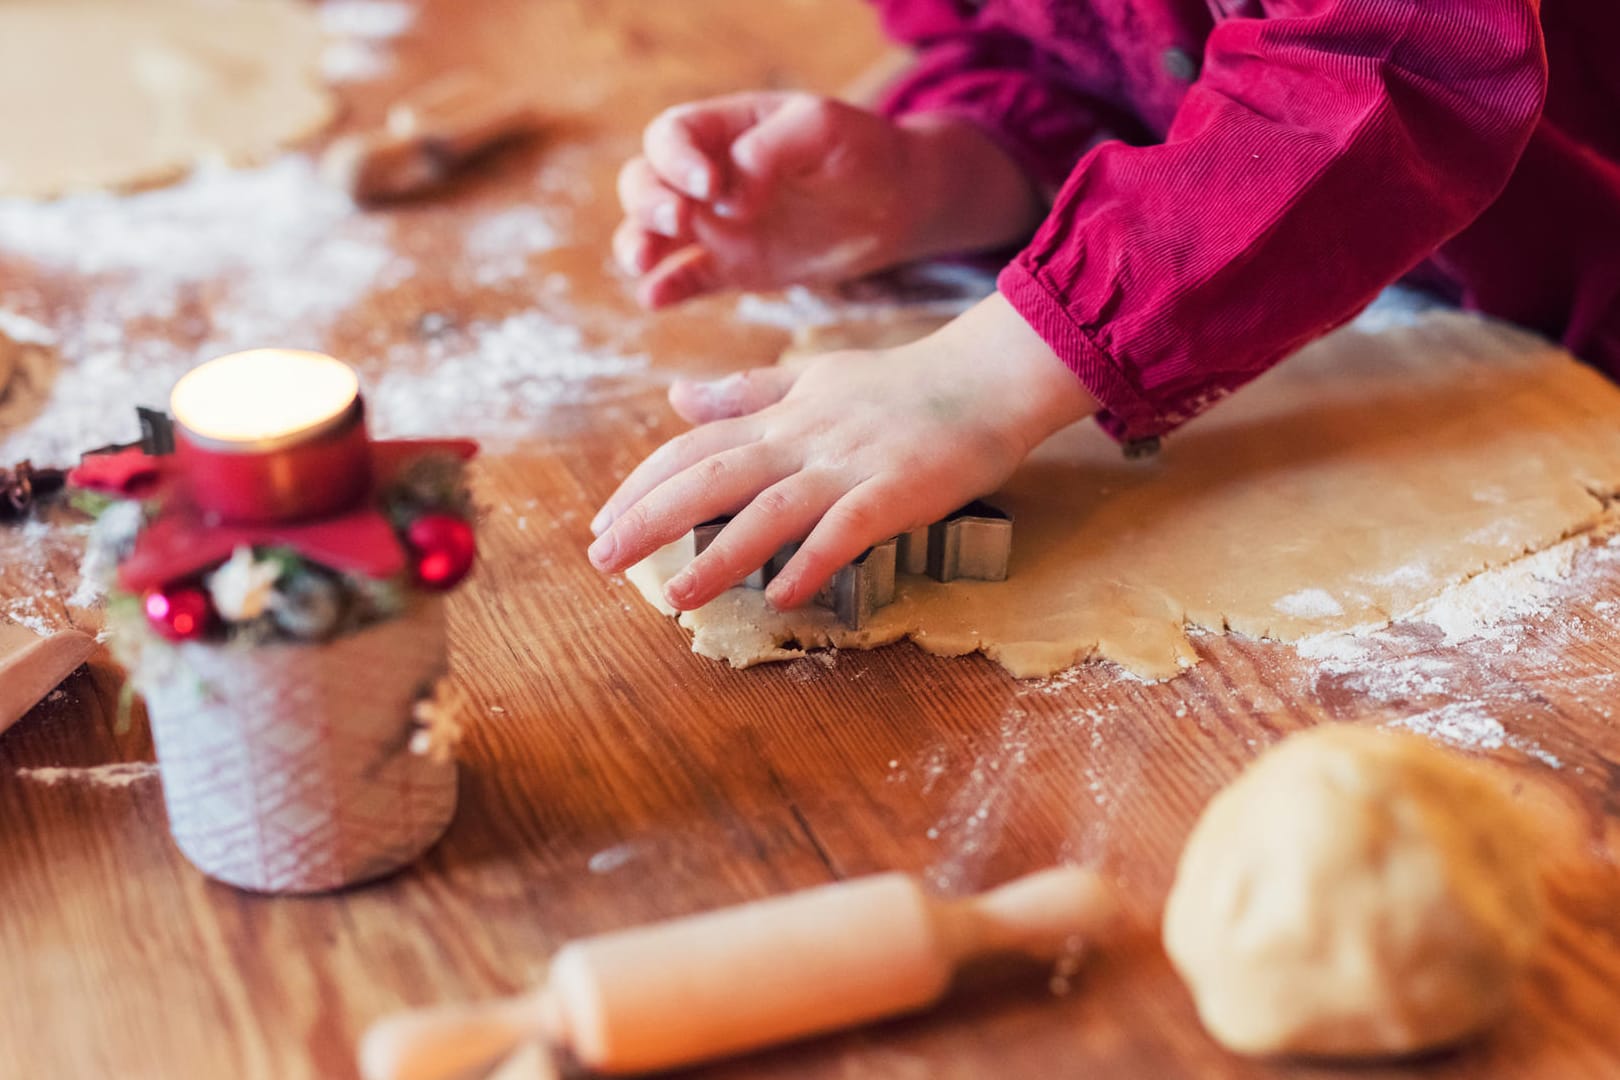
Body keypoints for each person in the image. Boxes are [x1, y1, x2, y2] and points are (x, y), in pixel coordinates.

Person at [588, 0, 1620, 615]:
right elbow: (1085, 62)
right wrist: (935, 176)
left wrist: (978, 380)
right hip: (1421, 343)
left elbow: (1395, 58)